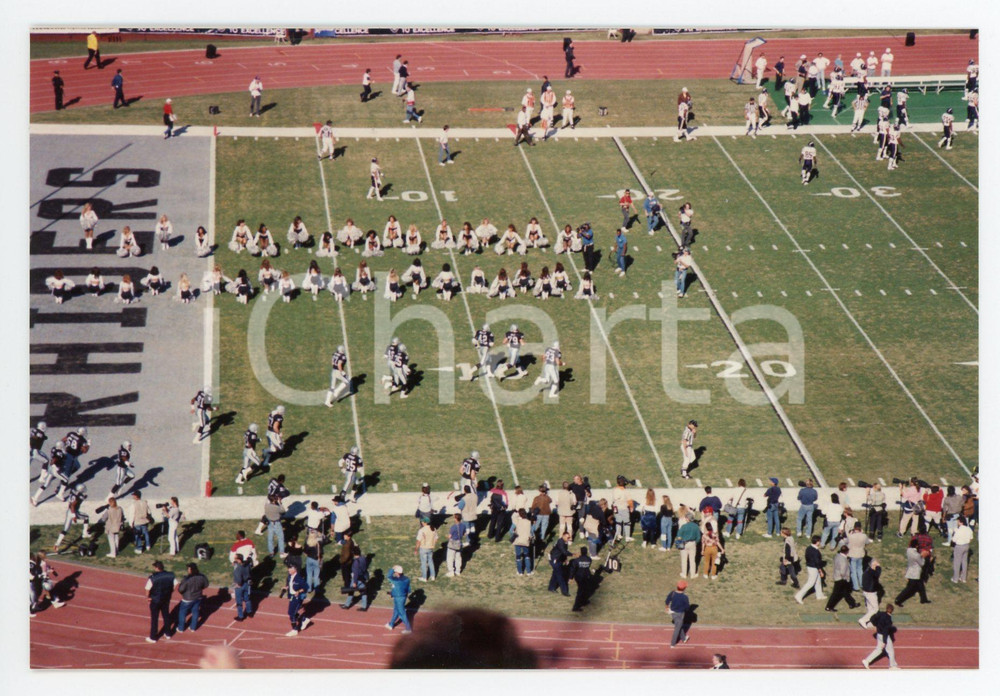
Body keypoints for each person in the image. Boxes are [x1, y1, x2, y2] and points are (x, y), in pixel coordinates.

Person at [145, 561, 177, 643]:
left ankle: (153, 637)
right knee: (166, 616)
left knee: (154, 619)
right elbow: (176, 584)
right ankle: (168, 633)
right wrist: (171, 591)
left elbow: (147, 589)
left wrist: (148, 598)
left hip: (155, 600)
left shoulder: (153, 577)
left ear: (157, 568)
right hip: (166, 599)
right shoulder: (170, 575)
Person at [53, 484, 91, 553]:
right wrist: (74, 516)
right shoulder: (77, 496)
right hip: (73, 511)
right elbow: (73, 505)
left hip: (69, 512)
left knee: (65, 530)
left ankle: (57, 544)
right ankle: (84, 533)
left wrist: (83, 498)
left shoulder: (73, 492)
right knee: (86, 517)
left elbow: (73, 501)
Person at [894, 538, 930, 607]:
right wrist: (923, 556)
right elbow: (922, 563)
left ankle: (923, 599)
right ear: (916, 546)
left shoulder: (908, 551)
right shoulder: (916, 555)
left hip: (910, 571)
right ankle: (898, 599)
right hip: (915, 574)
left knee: (921, 586)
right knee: (909, 589)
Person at [862, 604, 899, 669]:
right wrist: (885, 641)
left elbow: (873, 618)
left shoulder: (881, 614)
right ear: (892, 610)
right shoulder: (888, 619)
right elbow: (885, 630)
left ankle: (867, 661)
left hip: (879, 634)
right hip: (884, 636)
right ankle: (892, 666)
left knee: (879, 650)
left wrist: (876, 625)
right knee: (890, 650)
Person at [825, 545, 860, 612]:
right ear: (847, 552)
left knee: (845, 592)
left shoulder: (837, 556)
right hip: (841, 579)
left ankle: (852, 604)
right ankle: (828, 607)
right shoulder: (844, 561)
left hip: (837, 576)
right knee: (836, 593)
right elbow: (843, 572)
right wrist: (846, 578)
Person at [176, 563, 209, 633]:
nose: (187, 570)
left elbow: (180, 589)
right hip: (198, 597)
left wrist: (184, 593)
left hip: (187, 599)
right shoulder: (202, 576)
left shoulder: (187, 579)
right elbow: (206, 584)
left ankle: (181, 628)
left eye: (188, 569)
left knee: (182, 613)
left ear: (191, 570)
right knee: (195, 611)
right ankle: (193, 627)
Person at [794, 535, 826, 603]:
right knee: (811, 583)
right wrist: (820, 571)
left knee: (818, 581)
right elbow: (817, 562)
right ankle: (799, 595)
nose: (820, 543)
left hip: (810, 566)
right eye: (819, 541)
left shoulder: (809, 548)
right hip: (814, 568)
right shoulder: (815, 551)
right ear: (817, 542)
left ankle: (819, 595)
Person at [284, 564, 312, 636]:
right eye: (288, 568)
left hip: (297, 598)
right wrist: (286, 587)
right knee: (291, 612)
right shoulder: (290, 576)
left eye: (290, 569)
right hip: (292, 597)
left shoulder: (299, 579)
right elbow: (290, 584)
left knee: (291, 613)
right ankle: (304, 619)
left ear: (295, 569)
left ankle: (295, 629)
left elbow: (306, 587)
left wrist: (298, 591)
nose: (289, 570)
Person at [385, 565, 412, 633]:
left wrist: (392, 568)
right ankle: (391, 624)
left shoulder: (395, 580)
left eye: (395, 572)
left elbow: (388, 576)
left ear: (397, 572)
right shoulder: (406, 579)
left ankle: (408, 628)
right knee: (396, 611)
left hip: (398, 597)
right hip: (403, 597)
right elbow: (409, 589)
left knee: (401, 613)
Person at [858, 557, 882, 628]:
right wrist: (878, 567)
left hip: (866, 592)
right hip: (870, 593)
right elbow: (877, 574)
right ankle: (863, 620)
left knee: (870, 609)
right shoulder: (871, 572)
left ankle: (869, 623)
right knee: (875, 609)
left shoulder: (867, 571)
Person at [665, 581, 691, 646]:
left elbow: (667, 601)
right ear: (684, 588)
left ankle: (684, 638)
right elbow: (687, 607)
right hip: (680, 613)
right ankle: (672, 643)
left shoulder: (672, 593)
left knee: (678, 625)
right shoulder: (685, 597)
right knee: (677, 628)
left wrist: (667, 607)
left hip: (672, 612)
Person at [568, 546, 592, 611]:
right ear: (586, 552)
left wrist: (570, 578)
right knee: (583, 590)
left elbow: (573, 569)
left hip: (578, 577)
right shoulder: (589, 559)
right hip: (586, 576)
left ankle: (580, 603)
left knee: (581, 590)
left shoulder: (576, 560)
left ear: (580, 552)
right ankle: (576, 606)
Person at [951, 516, 973, 583]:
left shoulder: (959, 530)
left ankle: (955, 578)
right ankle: (963, 578)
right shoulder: (969, 529)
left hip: (959, 546)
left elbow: (953, 540)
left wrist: (953, 533)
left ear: (960, 522)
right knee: (964, 562)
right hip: (966, 546)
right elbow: (971, 538)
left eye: (958, 521)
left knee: (957, 562)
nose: (957, 523)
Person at [512, 510, 533, 576]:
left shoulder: (517, 521)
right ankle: (529, 571)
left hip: (518, 540)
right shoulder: (529, 522)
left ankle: (520, 572)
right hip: (525, 540)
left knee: (518, 556)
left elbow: (513, 516)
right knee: (526, 556)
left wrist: (517, 514)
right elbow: (531, 532)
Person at [232, 555, 252, 621]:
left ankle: (240, 616)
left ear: (239, 560)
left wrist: (238, 584)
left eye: (235, 559)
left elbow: (238, 577)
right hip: (247, 583)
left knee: (239, 601)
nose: (234, 560)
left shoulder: (238, 568)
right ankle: (249, 612)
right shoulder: (247, 564)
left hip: (240, 585)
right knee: (247, 599)